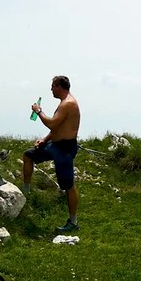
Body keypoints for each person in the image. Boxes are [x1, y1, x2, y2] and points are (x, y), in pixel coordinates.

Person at [22, 75, 81, 232]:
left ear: (59, 87)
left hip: (65, 148)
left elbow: (52, 123)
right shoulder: (64, 102)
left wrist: (39, 111)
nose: (51, 89)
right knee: (28, 155)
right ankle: (26, 192)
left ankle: (73, 222)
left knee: (68, 185)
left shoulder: (68, 103)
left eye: (52, 86)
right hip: (55, 144)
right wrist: (44, 139)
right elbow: (57, 128)